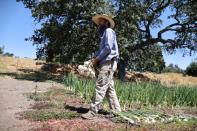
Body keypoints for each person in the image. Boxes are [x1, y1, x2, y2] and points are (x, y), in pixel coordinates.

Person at [81, 14, 121, 119]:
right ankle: (117, 112)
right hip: (106, 63)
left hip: (108, 63)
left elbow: (108, 48)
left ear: (107, 22)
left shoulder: (108, 31)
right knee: (109, 89)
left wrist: (97, 59)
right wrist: (94, 59)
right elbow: (102, 50)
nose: (99, 24)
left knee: (100, 86)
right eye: (98, 22)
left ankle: (92, 112)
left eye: (101, 22)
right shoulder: (103, 35)